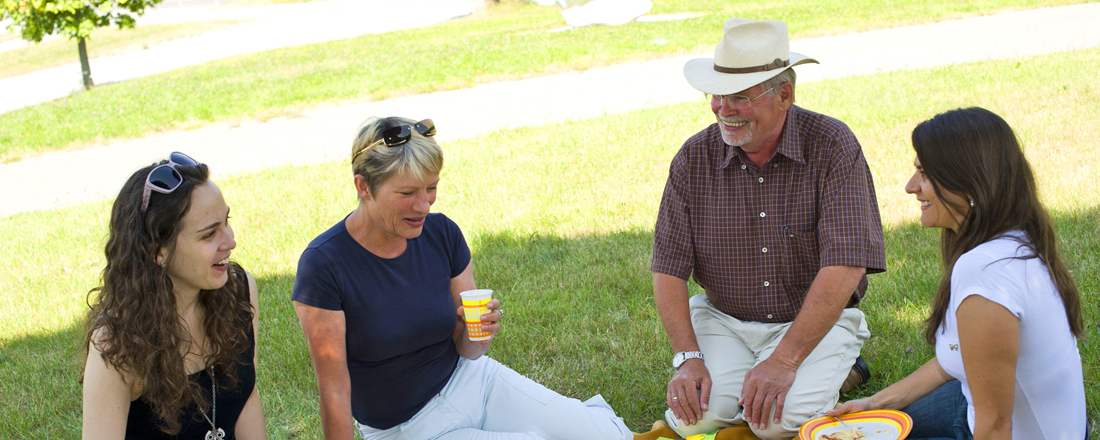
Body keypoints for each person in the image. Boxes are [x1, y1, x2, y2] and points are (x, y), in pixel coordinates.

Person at [292, 116, 632, 440]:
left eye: (431, 188)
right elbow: (334, 390)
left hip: (474, 383)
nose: (424, 205)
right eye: (408, 193)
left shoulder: (441, 233)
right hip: (407, 429)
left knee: (606, 435)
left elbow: (467, 350)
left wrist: (477, 332)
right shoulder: (324, 265)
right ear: (364, 187)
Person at [650, 17, 886, 439]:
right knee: (696, 421)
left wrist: (785, 361)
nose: (724, 109)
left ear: (785, 94)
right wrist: (688, 358)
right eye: (717, 95)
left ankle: (844, 371)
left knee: (778, 425)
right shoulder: (693, 158)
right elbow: (668, 268)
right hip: (724, 320)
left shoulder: (833, 145)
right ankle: (814, 378)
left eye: (740, 97)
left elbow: (847, 265)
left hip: (812, 322)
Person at [829, 107, 1088, 440]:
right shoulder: (1018, 237)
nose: (910, 187)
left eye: (923, 174)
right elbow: (957, 359)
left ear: (968, 182)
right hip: (981, 408)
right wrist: (875, 405)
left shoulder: (985, 271)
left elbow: (995, 426)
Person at [81, 152, 267, 439]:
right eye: (209, 235)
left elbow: (245, 399)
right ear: (159, 250)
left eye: (226, 221)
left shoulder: (238, 291)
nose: (230, 241)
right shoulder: (116, 342)